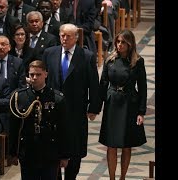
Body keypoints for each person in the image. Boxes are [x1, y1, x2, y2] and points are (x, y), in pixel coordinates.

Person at [42, 23, 100, 180]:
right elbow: (44, 80)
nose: (64, 38)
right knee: (54, 148)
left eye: (68, 36)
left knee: (75, 150)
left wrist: (94, 107)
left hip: (76, 110)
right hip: (52, 110)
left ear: (76, 37)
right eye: (62, 35)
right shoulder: (49, 53)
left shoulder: (86, 56)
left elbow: (93, 83)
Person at [98, 29, 147, 180]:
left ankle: (122, 177)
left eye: (123, 42)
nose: (120, 45)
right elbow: (103, 83)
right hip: (113, 103)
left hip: (130, 104)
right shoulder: (110, 60)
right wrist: (96, 106)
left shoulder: (138, 61)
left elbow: (143, 87)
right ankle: (112, 177)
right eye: (118, 42)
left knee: (126, 144)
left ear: (130, 44)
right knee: (111, 144)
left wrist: (141, 112)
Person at [9, 60, 70, 180]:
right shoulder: (19, 97)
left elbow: (64, 129)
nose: (34, 78)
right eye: (32, 75)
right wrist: (13, 153)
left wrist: (64, 156)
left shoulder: (57, 98)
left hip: (50, 151)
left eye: (38, 74)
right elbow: (14, 127)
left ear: (46, 74)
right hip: (28, 151)